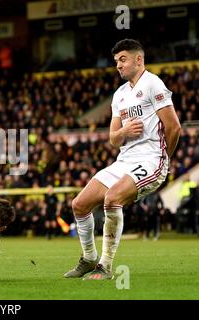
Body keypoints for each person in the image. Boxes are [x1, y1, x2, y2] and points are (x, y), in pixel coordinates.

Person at [64, 39, 181, 280]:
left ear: (139, 59)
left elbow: (174, 127)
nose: (118, 65)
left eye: (123, 59)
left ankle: (105, 266)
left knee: (112, 198)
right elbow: (113, 139)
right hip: (124, 160)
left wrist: (163, 159)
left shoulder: (153, 83)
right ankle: (88, 259)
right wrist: (124, 133)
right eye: (116, 61)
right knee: (79, 204)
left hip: (150, 159)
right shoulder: (119, 95)